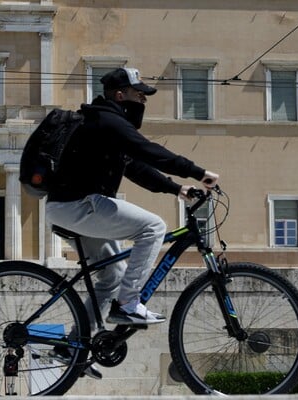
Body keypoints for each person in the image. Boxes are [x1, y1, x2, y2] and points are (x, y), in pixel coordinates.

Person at [46, 67, 219, 379]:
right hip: (79, 205)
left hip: (72, 207)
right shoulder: (106, 120)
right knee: (153, 227)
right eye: (139, 93)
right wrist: (196, 170)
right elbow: (147, 150)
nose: (144, 99)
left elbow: (135, 166)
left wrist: (176, 188)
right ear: (120, 94)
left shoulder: (104, 126)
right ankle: (128, 304)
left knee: (112, 275)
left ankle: (71, 346)